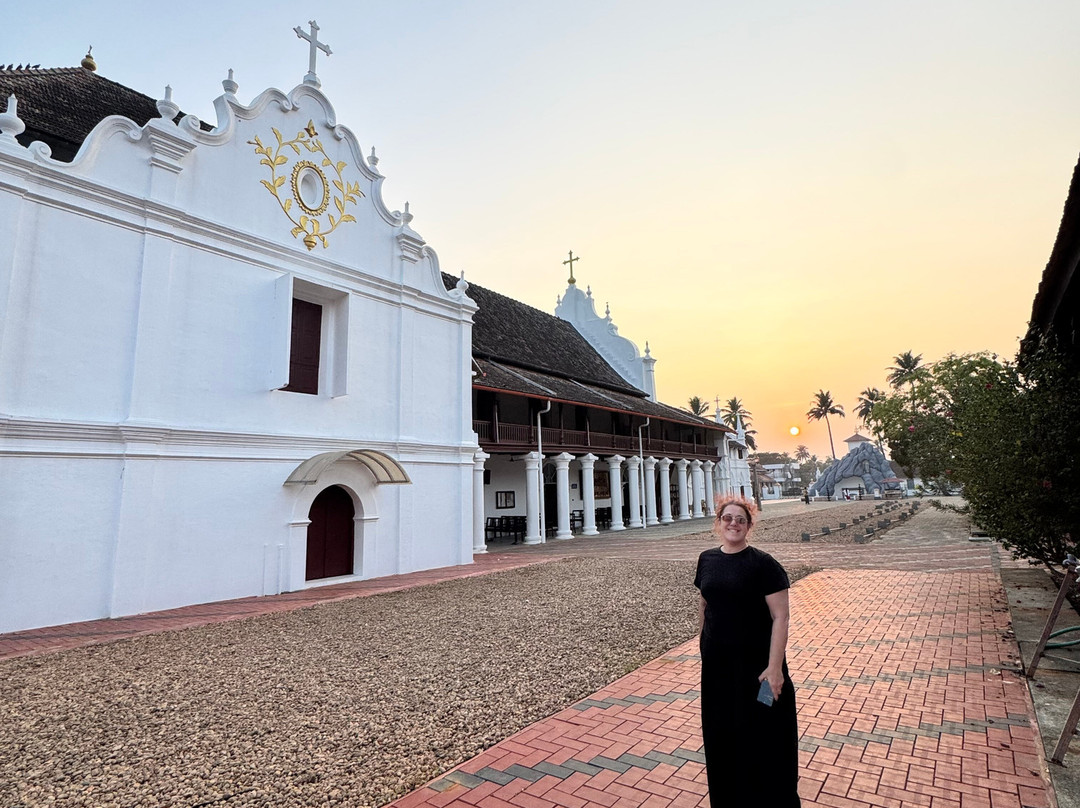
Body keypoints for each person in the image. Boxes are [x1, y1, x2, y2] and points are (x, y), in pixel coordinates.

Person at [694, 496, 800, 806]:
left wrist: (775, 668)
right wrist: (703, 641)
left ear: (749, 526)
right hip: (717, 670)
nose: (733, 524)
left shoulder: (763, 564)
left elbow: (781, 616)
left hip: (759, 671)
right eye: (727, 518)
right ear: (718, 523)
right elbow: (705, 601)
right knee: (722, 735)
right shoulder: (706, 559)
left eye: (740, 519)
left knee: (766, 736)